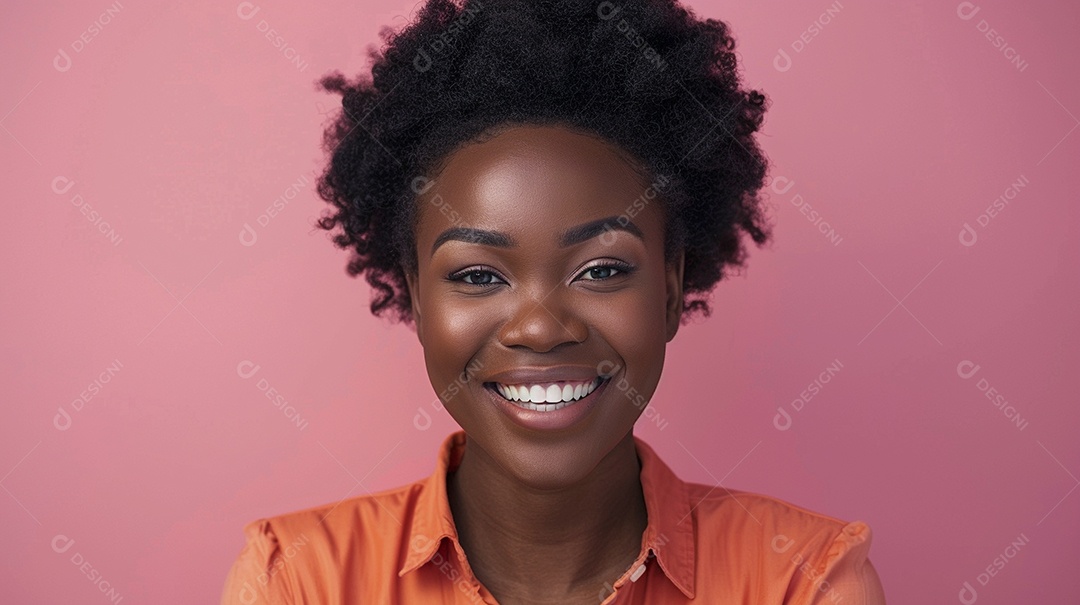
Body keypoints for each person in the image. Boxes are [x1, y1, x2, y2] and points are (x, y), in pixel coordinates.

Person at [221, 0, 887, 603]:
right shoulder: (298, 581)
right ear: (417, 295)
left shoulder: (802, 582)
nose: (540, 327)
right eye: (479, 275)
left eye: (600, 269)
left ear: (672, 287)